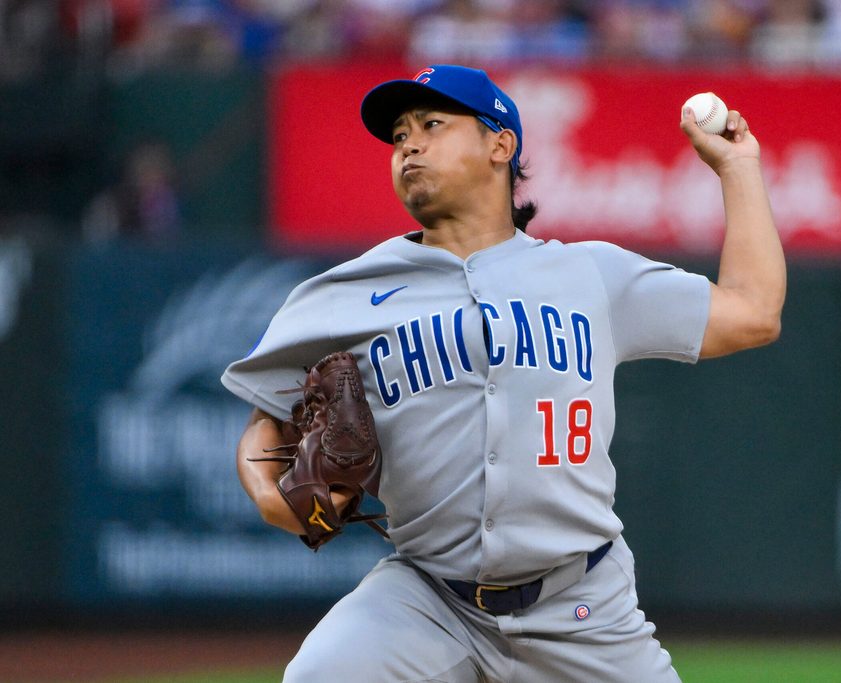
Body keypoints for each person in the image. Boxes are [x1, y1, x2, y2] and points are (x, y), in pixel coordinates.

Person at [221, 64, 785, 682]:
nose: (408, 143)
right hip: (428, 601)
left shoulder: (590, 275)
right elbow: (263, 426)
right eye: (399, 135)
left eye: (432, 124)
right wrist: (276, 500)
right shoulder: (345, 291)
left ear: (501, 144)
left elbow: (753, 311)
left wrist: (737, 168)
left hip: (584, 608)